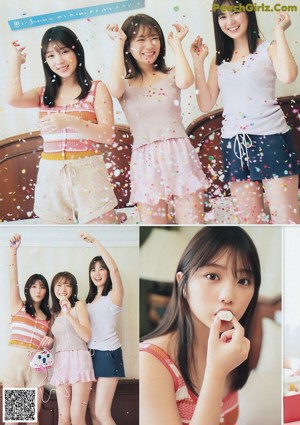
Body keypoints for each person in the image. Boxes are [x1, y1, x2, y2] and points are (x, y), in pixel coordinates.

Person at [191, 0, 299, 224]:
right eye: (222, 16)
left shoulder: (268, 48)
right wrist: (198, 63)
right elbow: (205, 103)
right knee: (250, 221)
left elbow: (288, 76)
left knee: (286, 218)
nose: (229, 21)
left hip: (272, 138)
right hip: (234, 144)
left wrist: (279, 32)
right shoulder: (218, 61)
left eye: (235, 13)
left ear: (248, 13)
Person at [140, 226, 261, 425]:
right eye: (213, 276)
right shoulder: (151, 363)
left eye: (243, 280)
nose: (228, 296)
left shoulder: (235, 350)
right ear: (183, 284)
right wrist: (216, 373)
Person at [6, 25, 123, 224]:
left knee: (102, 231)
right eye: (50, 55)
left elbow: (107, 135)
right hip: (51, 178)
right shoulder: (42, 94)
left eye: (64, 51)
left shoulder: (96, 89)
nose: (58, 61)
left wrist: (70, 121)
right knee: (57, 233)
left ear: (76, 51)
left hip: (90, 176)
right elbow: (13, 98)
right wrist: (16, 62)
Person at [106, 14, 209, 224]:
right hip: (145, 160)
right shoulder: (124, 84)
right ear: (129, 45)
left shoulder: (171, 74)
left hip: (179, 153)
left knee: (192, 225)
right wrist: (119, 42)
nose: (149, 45)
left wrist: (176, 44)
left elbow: (186, 80)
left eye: (154, 37)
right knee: (155, 228)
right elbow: (114, 89)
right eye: (140, 40)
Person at [2, 234, 53, 425]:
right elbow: (12, 279)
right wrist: (13, 252)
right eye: (34, 286)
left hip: (36, 366)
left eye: (41, 287)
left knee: (32, 420)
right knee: (14, 420)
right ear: (27, 289)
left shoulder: (49, 317)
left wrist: (51, 341)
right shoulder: (19, 306)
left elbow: (50, 339)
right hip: (15, 362)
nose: (38, 290)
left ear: (46, 291)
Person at [80, 231, 125, 425]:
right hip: (89, 355)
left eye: (101, 269)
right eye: (93, 269)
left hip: (107, 354)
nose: (97, 273)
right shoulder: (88, 302)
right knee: (92, 411)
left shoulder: (113, 296)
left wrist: (96, 242)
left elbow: (115, 271)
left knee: (101, 412)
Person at [50, 271, 95, 425]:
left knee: (76, 418)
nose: (63, 289)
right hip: (30, 372)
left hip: (78, 360)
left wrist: (68, 313)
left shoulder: (78, 305)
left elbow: (87, 336)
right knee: (63, 418)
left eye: (67, 285)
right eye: (59, 285)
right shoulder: (52, 312)